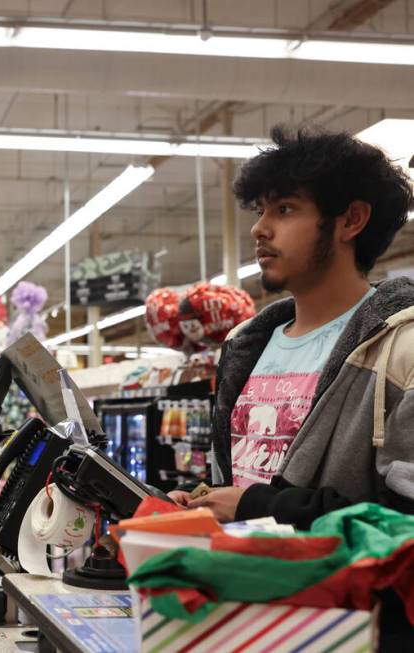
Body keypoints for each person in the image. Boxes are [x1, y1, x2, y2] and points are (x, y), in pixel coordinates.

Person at [168, 126, 414, 531]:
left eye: (284, 209)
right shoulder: (246, 346)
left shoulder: (400, 351)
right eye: (260, 210)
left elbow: (402, 524)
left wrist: (257, 507)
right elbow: (246, 485)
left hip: (337, 593)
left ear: (351, 220)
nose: (259, 228)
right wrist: (207, 499)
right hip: (242, 585)